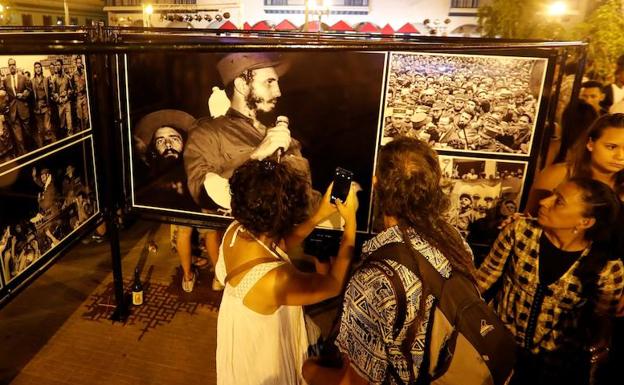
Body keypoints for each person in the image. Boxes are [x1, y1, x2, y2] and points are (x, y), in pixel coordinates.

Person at [303, 137, 476, 385]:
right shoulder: (455, 241)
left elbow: (353, 383)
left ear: (376, 184)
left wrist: (305, 368)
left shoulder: (376, 277)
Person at [215, 159, 357, 385]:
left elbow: (278, 245)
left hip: (242, 342)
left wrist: (321, 214)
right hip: (261, 358)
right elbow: (333, 284)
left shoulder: (236, 230)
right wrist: (350, 224)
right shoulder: (276, 280)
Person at [476, 178, 624, 385]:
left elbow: (600, 323)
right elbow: (483, 278)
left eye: (559, 201)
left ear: (585, 222)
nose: (545, 202)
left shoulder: (607, 268)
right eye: (552, 194)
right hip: (501, 347)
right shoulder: (520, 231)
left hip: (556, 365)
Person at [133, 109, 210, 293]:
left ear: (184, 141)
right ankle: (188, 274)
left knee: (207, 232)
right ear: (154, 147)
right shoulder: (154, 174)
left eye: (174, 138)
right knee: (184, 231)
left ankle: (199, 270)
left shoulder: (196, 166)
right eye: (160, 141)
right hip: (180, 214)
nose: (167, 143)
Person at [525, 113, 624, 215]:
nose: (620, 156)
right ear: (590, 144)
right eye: (611, 147)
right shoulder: (559, 174)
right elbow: (529, 220)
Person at [1, 58, 31, 155]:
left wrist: (23, 95)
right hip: (13, 112)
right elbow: (4, 93)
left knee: (27, 134)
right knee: (19, 138)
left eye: (13, 64)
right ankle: (23, 157)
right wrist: (6, 106)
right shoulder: (5, 80)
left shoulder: (23, 77)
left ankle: (31, 153)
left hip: (23, 110)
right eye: (10, 65)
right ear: (8, 67)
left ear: (16, 65)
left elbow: (29, 90)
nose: (12, 66)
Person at [31, 61, 56, 147]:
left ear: (41, 68)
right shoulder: (32, 81)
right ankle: (43, 147)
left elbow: (50, 91)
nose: (38, 69)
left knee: (48, 128)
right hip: (37, 109)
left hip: (46, 107)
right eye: (36, 67)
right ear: (34, 69)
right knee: (40, 129)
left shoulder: (46, 80)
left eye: (39, 67)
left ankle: (49, 145)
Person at [51, 59, 73, 136]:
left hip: (67, 102)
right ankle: (64, 140)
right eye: (56, 65)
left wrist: (68, 96)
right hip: (60, 104)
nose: (57, 67)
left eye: (59, 65)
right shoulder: (54, 80)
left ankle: (71, 138)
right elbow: (53, 93)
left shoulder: (67, 77)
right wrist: (58, 99)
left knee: (69, 123)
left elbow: (71, 89)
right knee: (62, 124)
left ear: (62, 66)